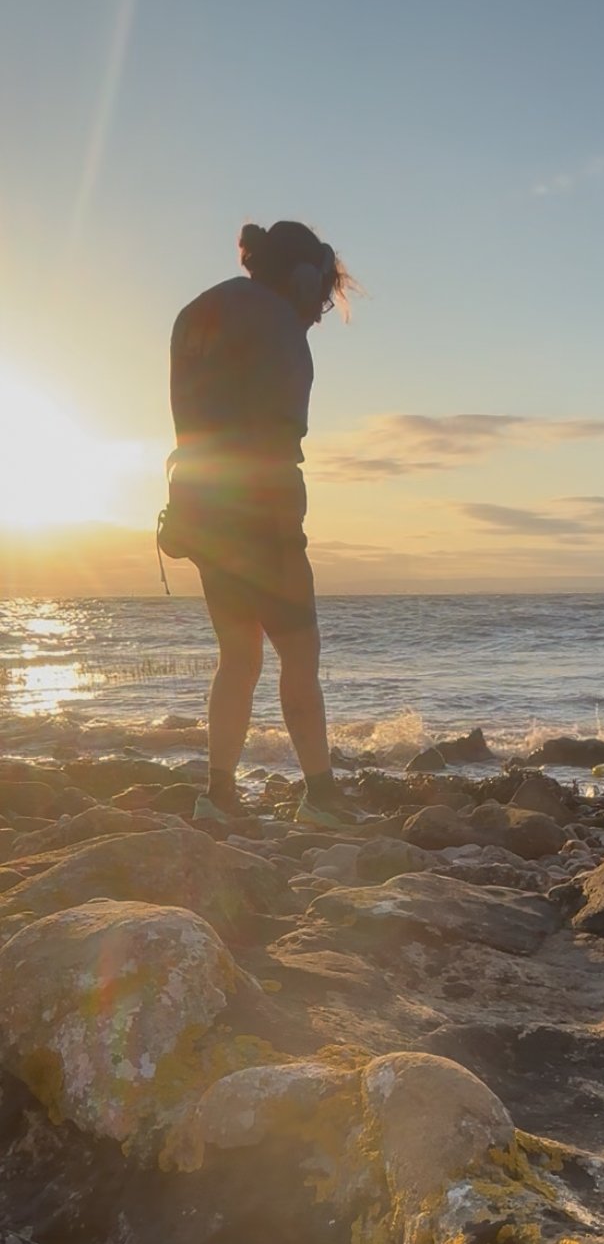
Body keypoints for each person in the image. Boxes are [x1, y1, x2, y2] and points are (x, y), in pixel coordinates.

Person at [168, 219, 356, 827]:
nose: (320, 314)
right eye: (322, 296)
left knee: (238, 655)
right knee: (300, 652)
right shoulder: (279, 325)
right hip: (262, 504)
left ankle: (217, 796)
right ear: (302, 278)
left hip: (198, 503)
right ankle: (320, 797)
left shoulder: (200, 309)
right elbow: (278, 435)